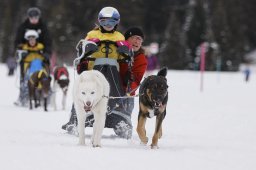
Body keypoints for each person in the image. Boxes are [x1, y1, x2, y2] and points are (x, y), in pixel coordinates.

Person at [62, 7, 134, 138]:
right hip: (93, 71)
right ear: (100, 22)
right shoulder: (92, 35)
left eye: (111, 22)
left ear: (116, 23)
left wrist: (125, 50)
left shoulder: (119, 36)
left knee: (115, 91)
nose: (108, 25)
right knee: (84, 92)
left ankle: (120, 117)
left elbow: (126, 56)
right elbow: (82, 51)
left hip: (113, 69)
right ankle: (74, 120)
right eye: (105, 22)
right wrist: (87, 48)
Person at [14, 30, 48, 106]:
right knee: (26, 80)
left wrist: (44, 55)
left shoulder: (41, 47)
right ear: (28, 40)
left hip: (39, 65)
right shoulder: (23, 47)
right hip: (28, 65)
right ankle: (23, 99)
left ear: (36, 39)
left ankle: (44, 98)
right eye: (30, 39)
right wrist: (22, 56)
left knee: (44, 79)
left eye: (33, 39)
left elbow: (46, 55)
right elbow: (17, 57)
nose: (32, 41)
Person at [119, 27, 147, 114]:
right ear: (126, 40)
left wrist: (130, 81)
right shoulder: (116, 52)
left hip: (125, 96)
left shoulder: (141, 59)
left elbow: (136, 81)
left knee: (124, 123)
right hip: (108, 91)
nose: (136, 41)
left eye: (139, 39)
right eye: (133, 38)